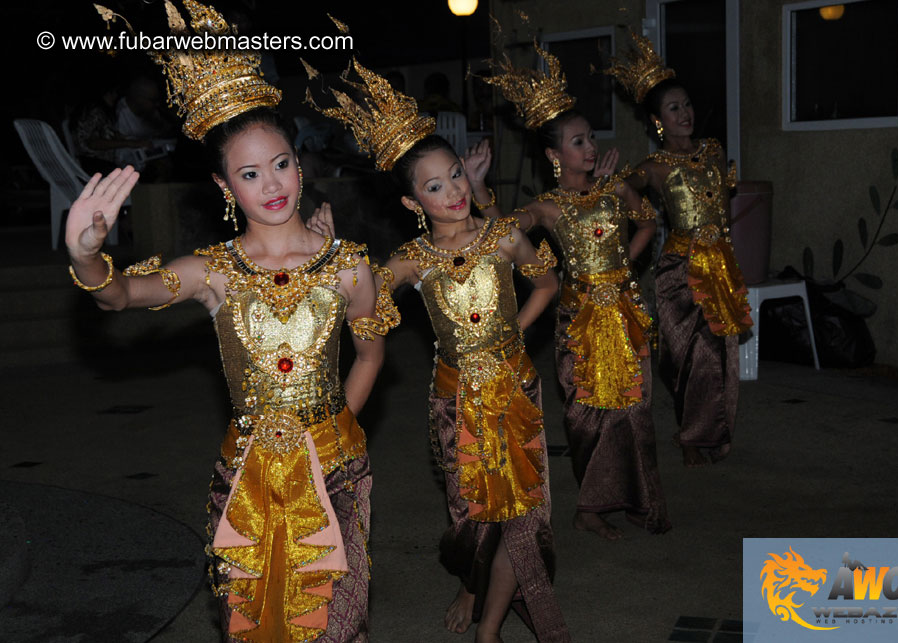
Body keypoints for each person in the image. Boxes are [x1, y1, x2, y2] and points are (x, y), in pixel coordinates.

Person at [69, 3, 397, 640]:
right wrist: (87, 256)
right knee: (255, 623)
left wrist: (337, 430)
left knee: (336, 621)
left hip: (335, 468)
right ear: (226, 189)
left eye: (281, 164)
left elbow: (372, 353)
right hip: (248, 474)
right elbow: (119, 296)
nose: (271, 183)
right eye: (249, 174)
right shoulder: (213, 270)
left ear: (299, 166)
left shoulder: (349, 265)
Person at [308, 59, 569, 642]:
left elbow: (548, 282)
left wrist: (515, 334)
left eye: (455, 175)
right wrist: (326, 258)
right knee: (473, 517)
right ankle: (471, 583)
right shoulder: (413, 260)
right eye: (434, 186)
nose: (452, 192)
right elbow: (356, 294)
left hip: (516, 390)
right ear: (411, 203)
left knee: (519, 514)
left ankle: (490, 628)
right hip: (455, 403)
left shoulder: (502, 235)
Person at [476, 43, 671, 541]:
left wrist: (626, 262)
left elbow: (647, 220)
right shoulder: (546, 208)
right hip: (579, 320)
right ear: (553, 154)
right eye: (578, 141)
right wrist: (478, 192)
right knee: (588, 416)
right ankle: (590, 507)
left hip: (625, 312)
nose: (588, 148)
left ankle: (638, 499)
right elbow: (505, 230)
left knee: (635, 409)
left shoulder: (614, 188)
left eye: (591, 139)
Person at [606, 33, 752, 467]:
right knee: (688, 355)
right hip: (679, 269)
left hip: (720, 264)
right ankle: (691, 436)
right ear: (657, 121)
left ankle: (709, 432)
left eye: (686, 105)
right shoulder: (653, 167)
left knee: (721, 354)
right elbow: (628, 190)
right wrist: (613, 184)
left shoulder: (712, 151)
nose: (685, 114)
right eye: (674, 108)